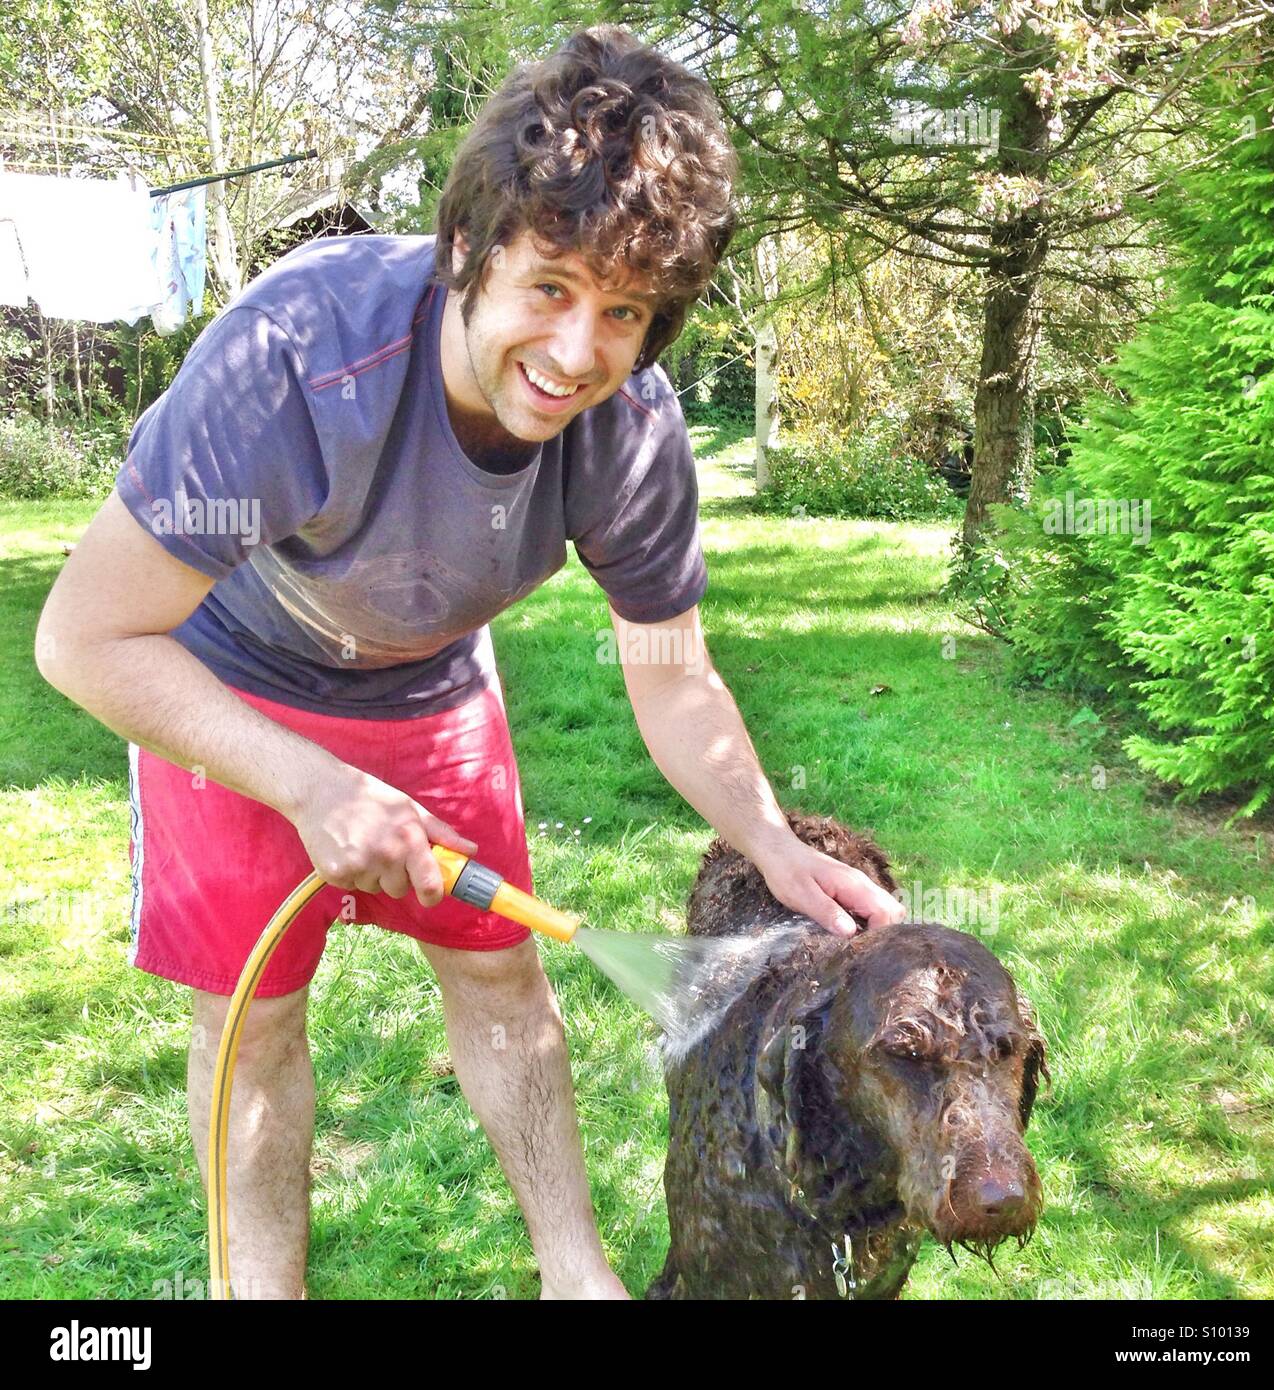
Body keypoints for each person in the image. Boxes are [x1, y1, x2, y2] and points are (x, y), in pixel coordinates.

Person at [34, 24, 906, 1301]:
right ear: (468, 250)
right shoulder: (294, 365)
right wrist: (307, 784)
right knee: (254, 1016)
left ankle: (575, 1275)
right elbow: (87, 637)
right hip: (225, 681)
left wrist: (769, 839)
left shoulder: (629, 435)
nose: (575, 353)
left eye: (624, 313)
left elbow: (669, 673)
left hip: (429, 685)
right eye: (551, 286)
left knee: (504, 978)